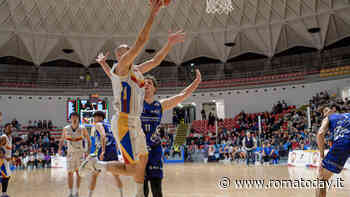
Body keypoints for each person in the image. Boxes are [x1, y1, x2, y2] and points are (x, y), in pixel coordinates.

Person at [79, 2, 166, 197]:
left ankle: (138, 193)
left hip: (136, 121)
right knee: (134, 168)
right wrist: (152, 13)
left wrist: (170, 43)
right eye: (122, 53)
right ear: (120, 57)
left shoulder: (134, 70)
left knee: (142, 160)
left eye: (126, 52)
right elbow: (142, 41)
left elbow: (155, 61)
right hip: (124, 122)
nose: (125, 54)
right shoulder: (121, 67)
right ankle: (97, 164)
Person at [141, 71, 201, 197]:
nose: (146, 85)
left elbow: (182, 95)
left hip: (154, 150)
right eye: (144, 83)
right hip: (139, 150)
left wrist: (196, 83)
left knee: (157, 189)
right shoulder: (135, 105)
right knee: (142, 190)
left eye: (149, 83)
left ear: (154, 88)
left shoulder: (160, 105)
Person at [85, 111, 124, 197]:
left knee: (94, 174)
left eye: (94, 117)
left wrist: (103, 151)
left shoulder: (98, 124)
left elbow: (103, 136)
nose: (94, 120)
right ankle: (122, 194)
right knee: (116, 175)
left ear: (98, 118)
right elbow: (116, 139)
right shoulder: (109, 125)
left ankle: (89, 195)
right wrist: (117, 151)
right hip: (113, 151)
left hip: (104, 151)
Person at [316, 103, 348, 197]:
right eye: (323, 113)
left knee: (321, 179)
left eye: (326, 111)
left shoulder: (328, 118)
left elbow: (320, 133)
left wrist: (321, 155)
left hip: (343, 142)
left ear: (334, 109)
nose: (325, 114)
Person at [58, 112, 91, 197]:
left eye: (76, 117)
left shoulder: (82, 128)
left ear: (78, 118)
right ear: (70, 119)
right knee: (69, 173)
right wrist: (59, 149)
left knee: (78, 173)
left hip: (80, 153)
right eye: (72, 117)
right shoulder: (66, 128)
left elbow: (89, 140)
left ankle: (76, 191)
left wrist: (87, 151)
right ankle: (70, 192)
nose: (74, 118)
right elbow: (61, 140)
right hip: (70, 154)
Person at [0, 124, 12, 197]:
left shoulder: (10, 137)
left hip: (6, 160)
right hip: (2, 160)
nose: (10, 128)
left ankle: (4, 194)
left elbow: (8, 150)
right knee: (4, 177)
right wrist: (4, 156)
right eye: (8, 127)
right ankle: (3, 194)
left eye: (11, 127)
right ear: (5, 129)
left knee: (7, 176)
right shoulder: (4, 137)